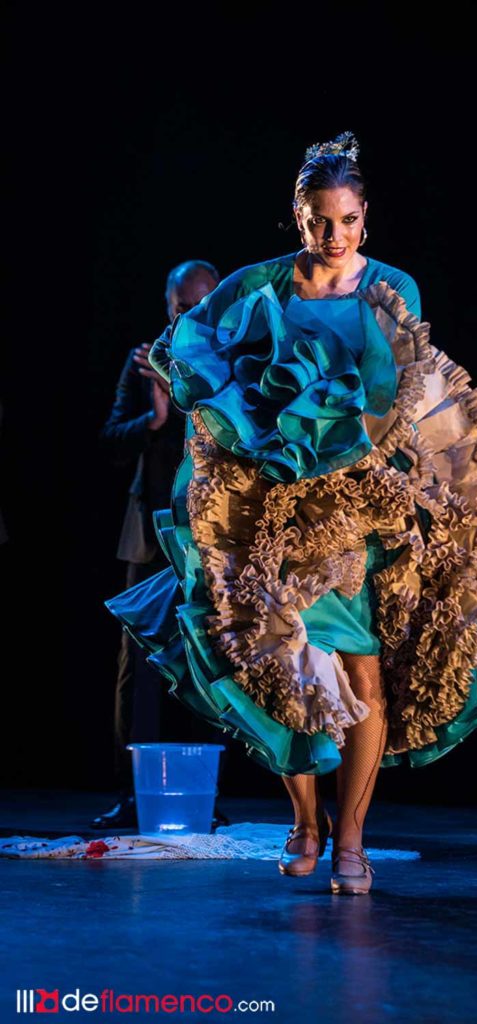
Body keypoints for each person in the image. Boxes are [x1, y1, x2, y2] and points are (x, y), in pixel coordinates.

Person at [104, 131, 477, 893]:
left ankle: (350, 840)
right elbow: (195, 344)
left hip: (358, 507)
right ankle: (305, 824)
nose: (333, 234)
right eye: (318, 221)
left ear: (364, 217)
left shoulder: (392, 288)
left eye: (345, 220)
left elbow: (394, 390)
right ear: (297, 216)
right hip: (275, 507)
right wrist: (232, 414)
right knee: (289, 672)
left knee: (363, 675)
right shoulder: (258, 284)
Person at [94, 260, 231, 831]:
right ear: (167, 306)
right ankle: (132, 794)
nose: (190, 316)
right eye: (181, 308)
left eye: (201, 306)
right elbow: (110, 441)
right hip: (149, 533)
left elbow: (232, 435)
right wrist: (152, 419)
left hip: (209, 532)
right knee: (137, 666)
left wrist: (177, 396)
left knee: (209, 658)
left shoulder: (229, 361)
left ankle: (206, 795)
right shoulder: (143, 361)